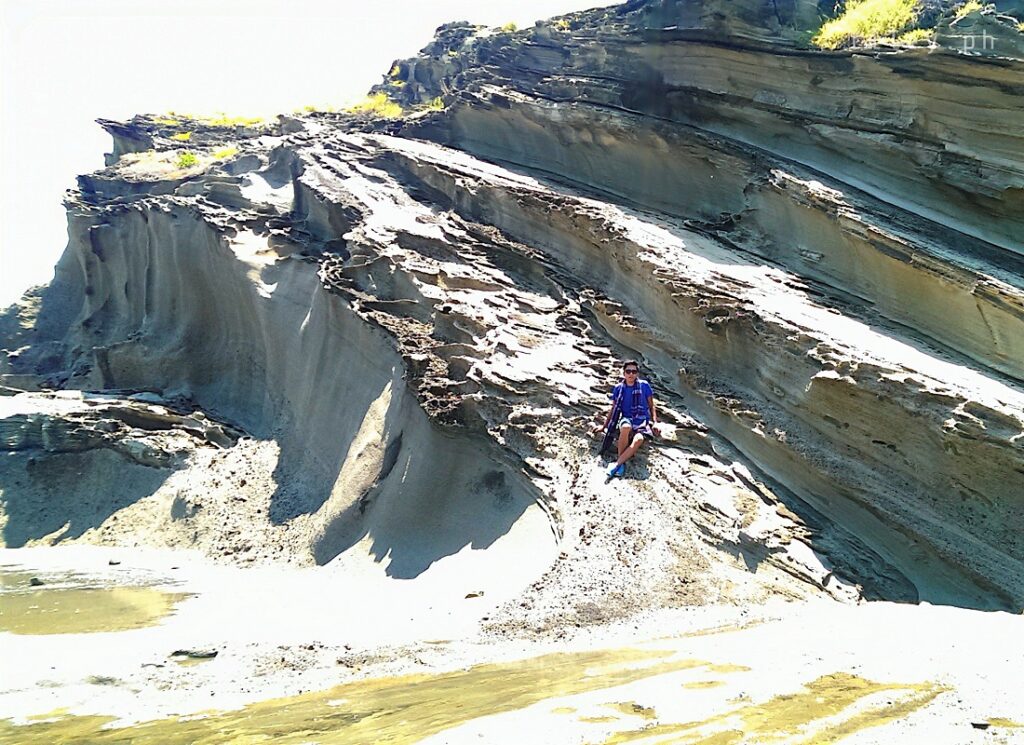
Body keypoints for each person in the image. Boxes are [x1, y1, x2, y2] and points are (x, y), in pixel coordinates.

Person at [594, 360, 660, 478]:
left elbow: (651, 406)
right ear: (624, 373)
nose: (631, 374)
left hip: (641, 421)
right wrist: (604, 426)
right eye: (628, 371)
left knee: (639, 439)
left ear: (637, 374)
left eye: (634, 371)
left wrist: (655, 423)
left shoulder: (644, 385)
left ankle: (618, 464)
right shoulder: (619, 388)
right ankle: (620, 465)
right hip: (626, 418)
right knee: (625, 427)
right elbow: (613, 408)